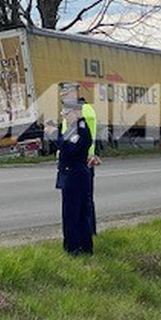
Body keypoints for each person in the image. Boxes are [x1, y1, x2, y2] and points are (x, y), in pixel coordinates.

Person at [46, 99, 93, 255]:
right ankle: (83, 247)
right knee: (79, 214)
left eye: (66, 113)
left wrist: (53, 134)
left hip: (74, 176)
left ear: (75, 112)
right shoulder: (75, 128)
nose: (63, 116)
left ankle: (74, 248)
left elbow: (69, 149)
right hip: (74, 175)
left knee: (72, 214)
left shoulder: (80, 129)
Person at [79, 97, 100, 235]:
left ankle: (87, 231)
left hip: (82, 160)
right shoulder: (88, 110)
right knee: (87, 198)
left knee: (82, 199)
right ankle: (91, 230)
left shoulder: (81, 113)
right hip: (88, 159)